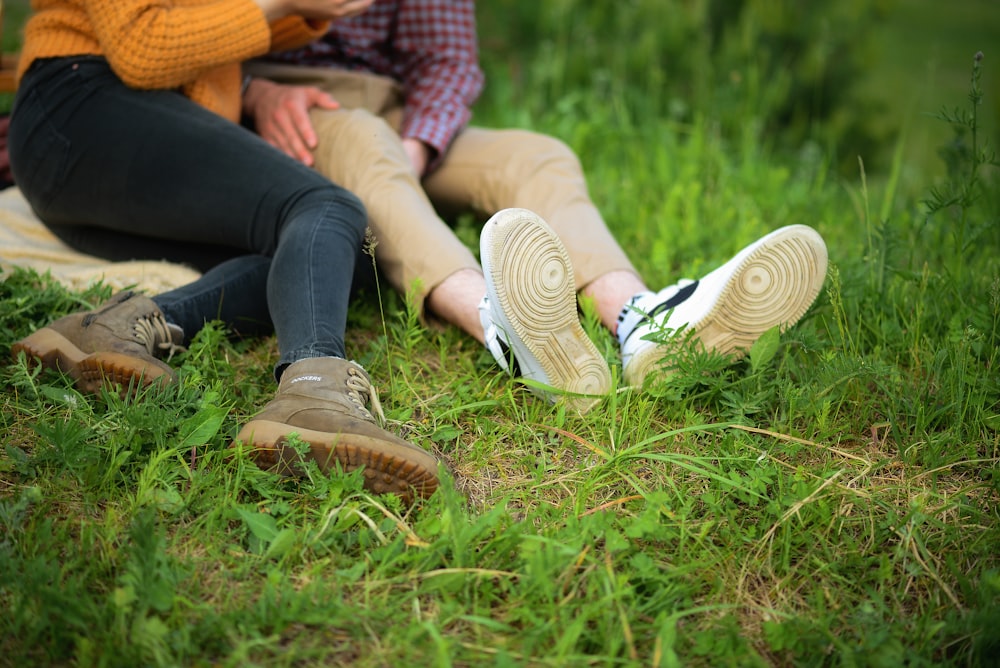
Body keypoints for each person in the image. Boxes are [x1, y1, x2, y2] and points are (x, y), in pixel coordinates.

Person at [240, 0, 829, 413]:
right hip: (290, 108)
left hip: (394, 112)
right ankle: (500, 328)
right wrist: (251, 91)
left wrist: (416, 151)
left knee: (537, 155)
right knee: (367, 144)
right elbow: (172, 35)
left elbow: (446, 60)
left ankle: (641, 321)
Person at [6, 0, 440, 503]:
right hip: (82, 112)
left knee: (339, 257)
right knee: (324, 206)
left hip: (125, 154)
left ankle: (119, 325)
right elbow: (141, 47)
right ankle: (315, 389)